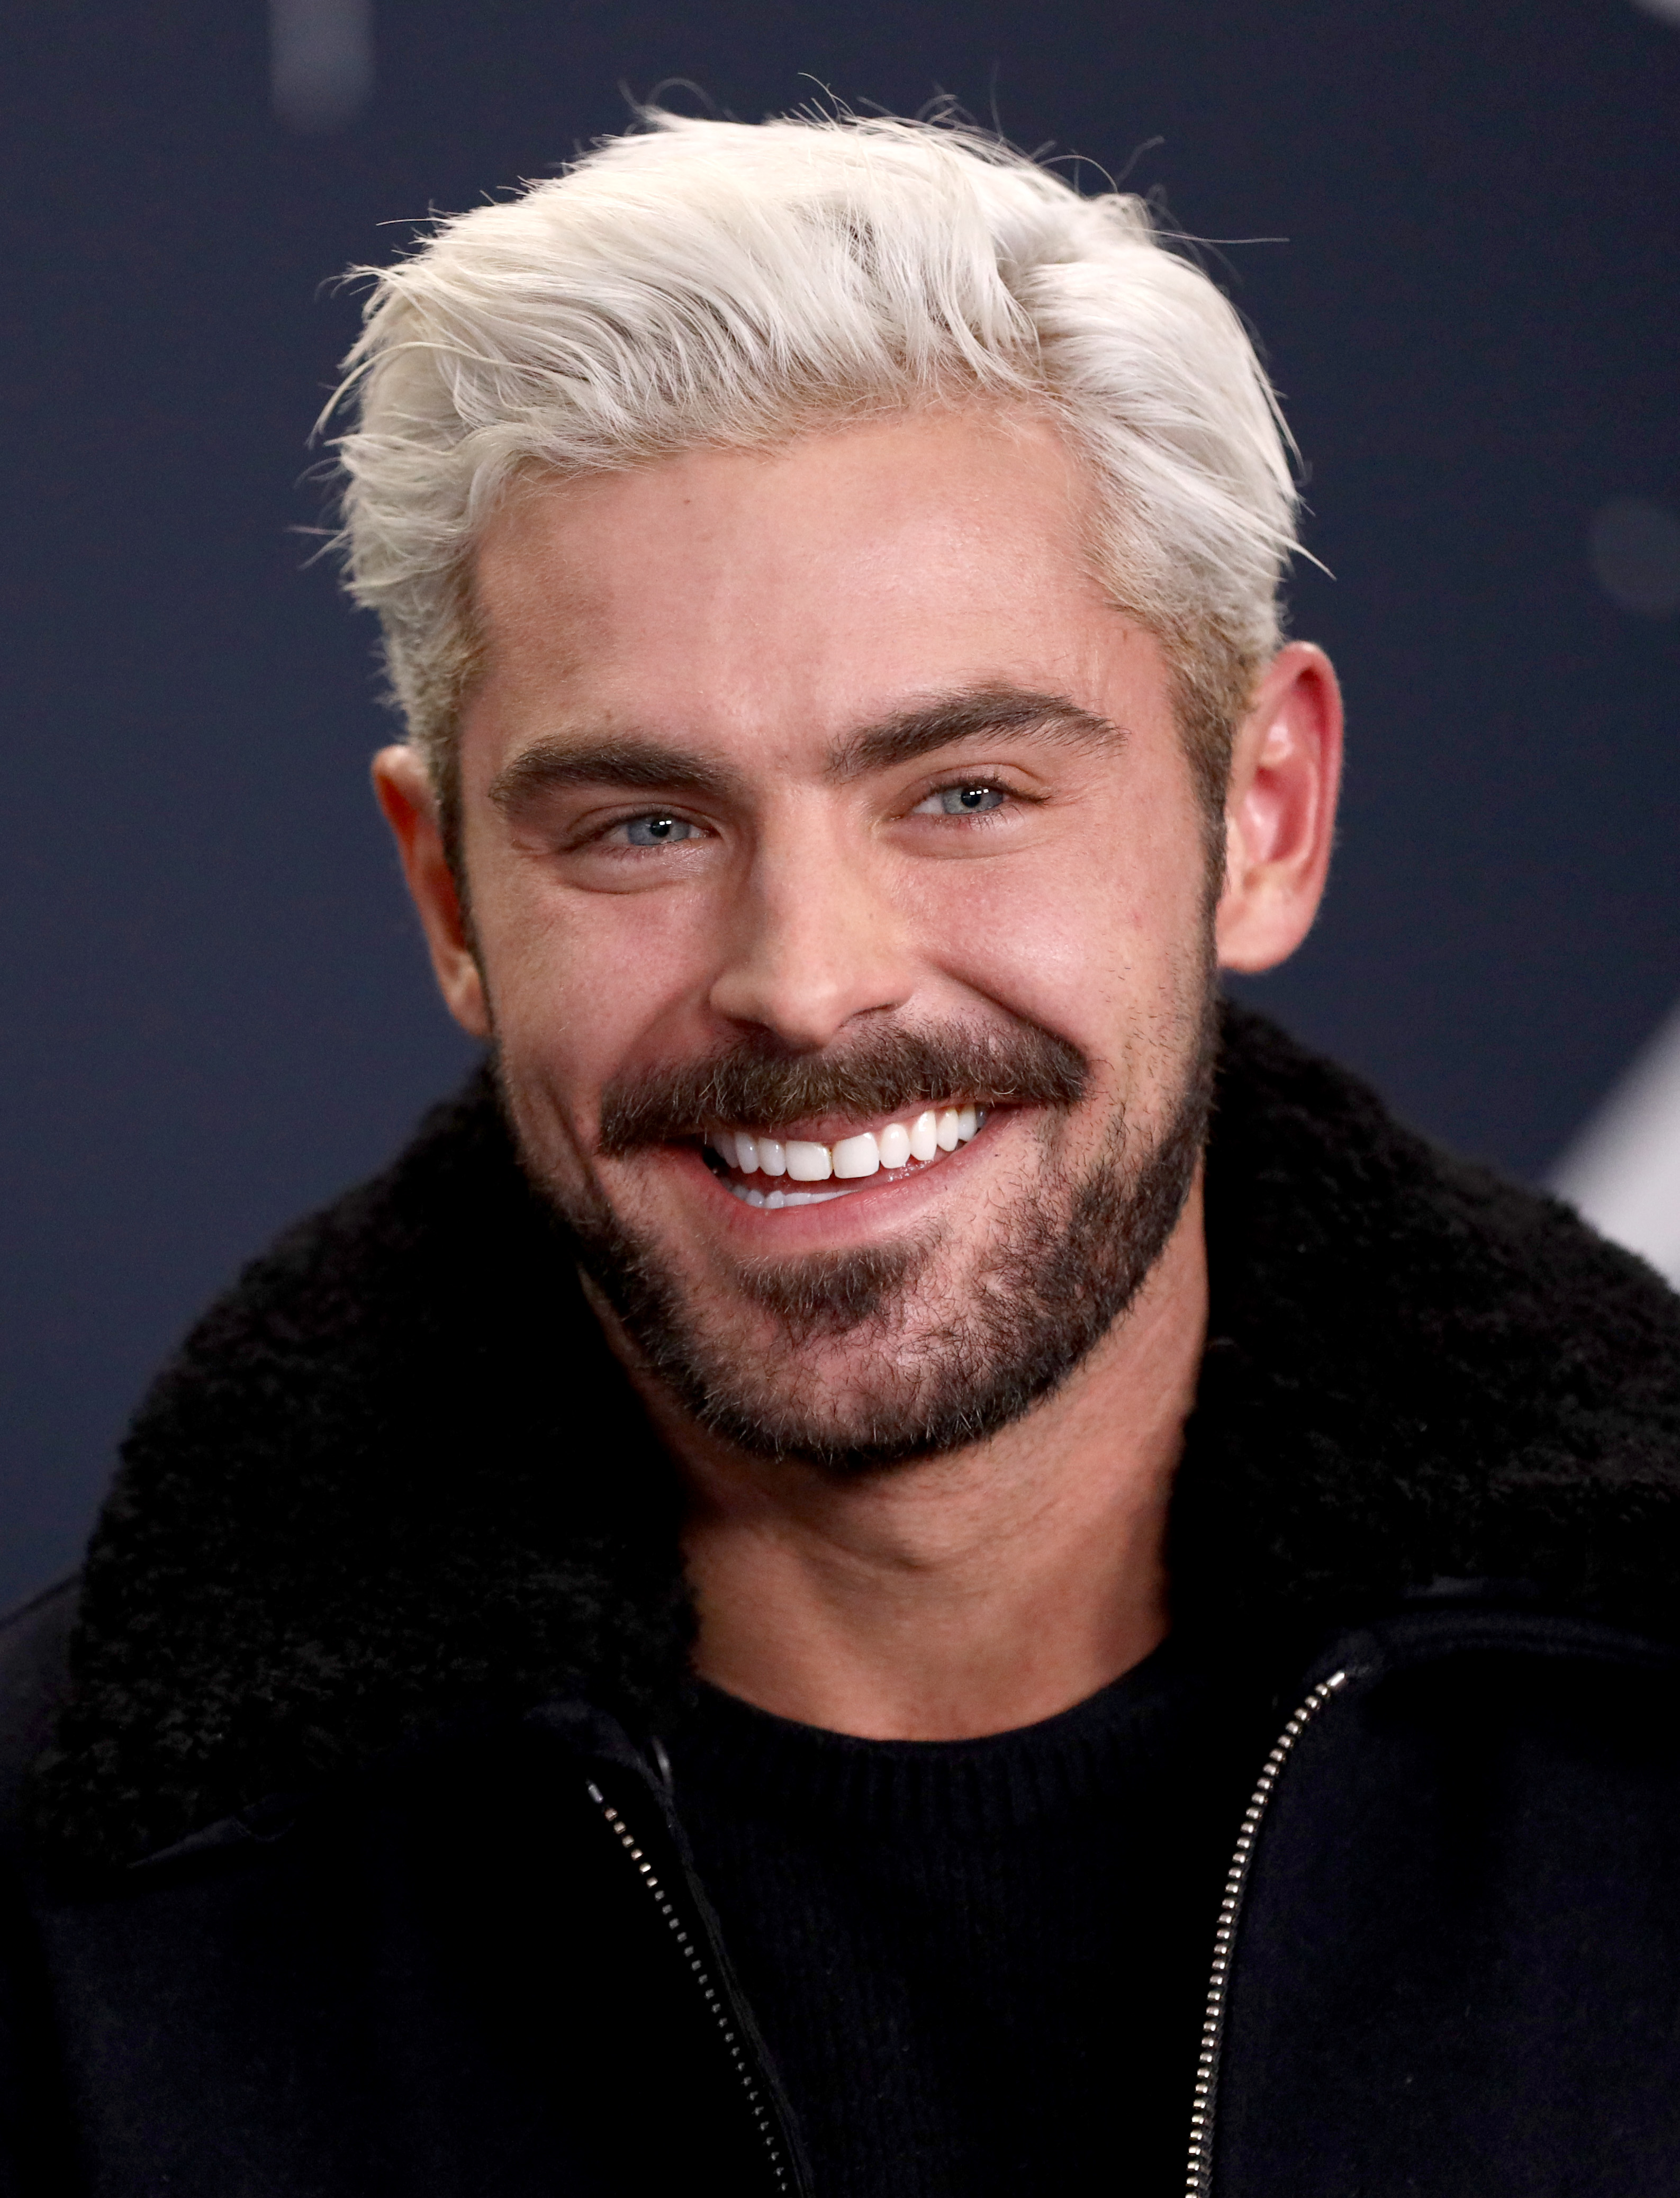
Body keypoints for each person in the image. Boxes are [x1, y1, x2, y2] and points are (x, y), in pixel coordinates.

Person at [2, 111, 1677, 2198]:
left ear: (1260, 813)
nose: (805, 987)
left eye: (962, 793)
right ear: (444, 899)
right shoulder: (72, 1902)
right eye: (642, 825)